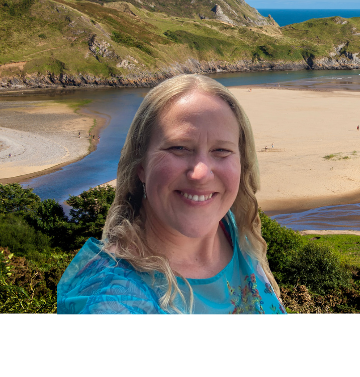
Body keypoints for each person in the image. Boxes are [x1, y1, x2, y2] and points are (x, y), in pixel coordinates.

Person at [56, 74, 286, 314]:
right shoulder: (114, 298)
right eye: (179, 148)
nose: (201, 173)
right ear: (140, 165)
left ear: (242, 163)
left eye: (221, 150)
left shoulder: (233, 228)